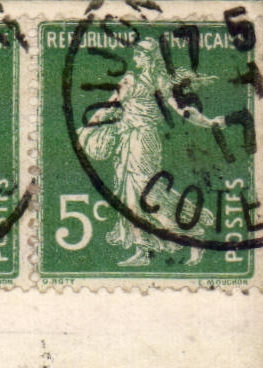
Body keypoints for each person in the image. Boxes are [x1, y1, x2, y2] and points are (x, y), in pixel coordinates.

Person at [79, 37, 224, 267]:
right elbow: (109, 107)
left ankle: (194, 234)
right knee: (129, 199)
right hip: (127, 143)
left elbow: (182, 110)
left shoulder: (158, 82)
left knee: (150, 197)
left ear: (147, 57)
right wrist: (88, 128)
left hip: (144, 143)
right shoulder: (132, 80)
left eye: (138, 54)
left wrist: (208, 122)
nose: (134, 58)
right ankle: (143, 251)